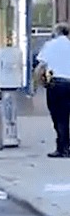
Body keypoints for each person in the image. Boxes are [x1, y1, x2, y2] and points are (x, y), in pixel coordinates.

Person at [36, 23, 70, 158]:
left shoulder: (49, 45)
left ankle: (63, 148)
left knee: (58, 117)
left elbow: (40, 68)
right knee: (66, 116)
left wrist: (41, 83)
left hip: (56, 84)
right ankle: (65, 146)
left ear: (56, 32)